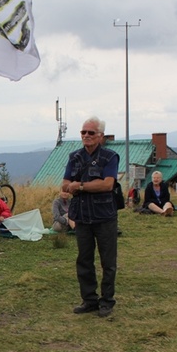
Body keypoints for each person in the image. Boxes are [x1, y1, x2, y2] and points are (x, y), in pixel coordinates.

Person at [62, 116, 119, 318]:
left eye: (91, 133)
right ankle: (89, 300)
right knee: (84, 260)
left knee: (108, 262)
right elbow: (64, 184)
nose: (86, 136)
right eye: (83, 132)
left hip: (104, 216)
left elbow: (107, 184)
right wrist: (76, 186)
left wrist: (81, 186)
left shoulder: (110, 157)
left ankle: (107, 301)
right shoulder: (74, 157)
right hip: (82, 216)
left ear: (100, 136)